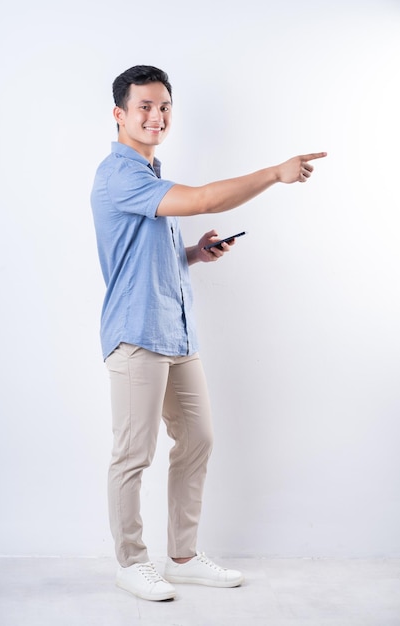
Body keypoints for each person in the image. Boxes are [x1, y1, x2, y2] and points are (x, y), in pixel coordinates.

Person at [90, 64, 326, 602]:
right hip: (136, 335)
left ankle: (182, 557)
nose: (156, 116)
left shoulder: (151, 176)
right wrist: (274, 173)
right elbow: (203, 200)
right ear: (119, 114)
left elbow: (146, 257)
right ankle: (131, 562)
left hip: (176, 334)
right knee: (133, 453)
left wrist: (195, 252)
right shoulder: (119, 175)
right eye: (144, 106)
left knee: (198, 439)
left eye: (164, 106)